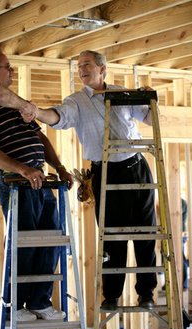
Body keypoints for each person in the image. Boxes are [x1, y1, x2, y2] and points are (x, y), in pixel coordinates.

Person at [34, 50, 158, 310]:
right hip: (104, 172)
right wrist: (36, 112)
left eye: (86, 65)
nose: (81, 70)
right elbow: (58, 117)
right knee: (111, 236)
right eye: (78, 67)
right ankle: (111, 296)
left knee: (145, 232)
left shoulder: (122, 92)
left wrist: (150, 98)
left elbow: (147, 118)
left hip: (136, 168)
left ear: (103, 69)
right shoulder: (76, 101)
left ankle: (146, 293)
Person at [0, 47, 73, 321]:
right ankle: (14, 307)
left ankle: (39, 301)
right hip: (14, 180)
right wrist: (22, 169)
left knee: (51, 237)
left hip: (37, 177)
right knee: (24, 240)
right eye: (6, 66)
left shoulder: (17, 104)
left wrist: (59, 167)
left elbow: (40, 139)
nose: (11, 70)